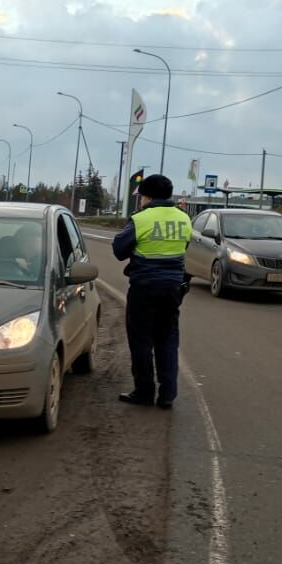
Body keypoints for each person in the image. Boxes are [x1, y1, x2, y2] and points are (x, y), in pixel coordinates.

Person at [112, 172, 192, 409]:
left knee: (142, 341)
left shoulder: (141, 219)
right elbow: (184, 246)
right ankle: (168, 394)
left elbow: (119, 250)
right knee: (167, 339)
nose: (140, 200)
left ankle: (144, 392)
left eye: (141, 196)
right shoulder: (184, 218)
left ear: (147, 196)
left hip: (144, 288)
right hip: (172, 289)